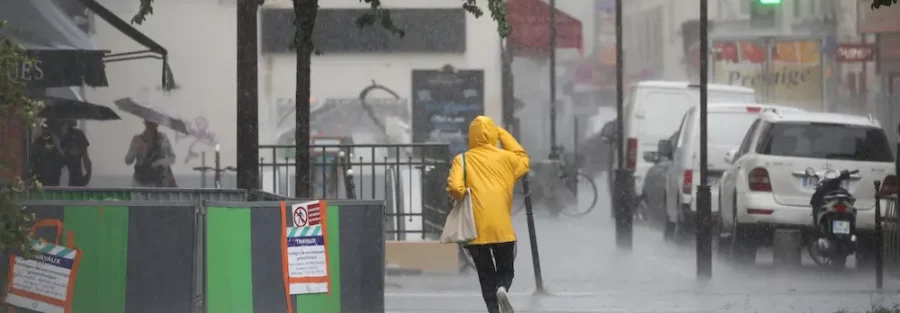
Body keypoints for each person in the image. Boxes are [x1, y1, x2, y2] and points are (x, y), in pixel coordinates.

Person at [446, 116, 529, 313]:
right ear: (493, 135)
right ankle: (502, 288)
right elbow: (523, 158)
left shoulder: (462, 159)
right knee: (506, 269)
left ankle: (493, 309)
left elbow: (455, 188)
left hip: (476, 228)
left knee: (485, 274)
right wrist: (501, 133)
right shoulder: (508, 159)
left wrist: (462, 194)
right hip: (502, 227)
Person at [125, 120, 177, 187]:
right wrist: (134, 149)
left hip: (160, 183)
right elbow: (128, 161)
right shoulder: (137, 139)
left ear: (157, 124)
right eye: (148, 122)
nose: (151, 124)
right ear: (145, 123)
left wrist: (159, 163)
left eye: (153, 122)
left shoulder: (163, 138)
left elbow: (172, 158)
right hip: (140, 182)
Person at [29, 120, 65, 186]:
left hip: (54, 184)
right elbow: (33, 161)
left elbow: (63, 161)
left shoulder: (57, 143)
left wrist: (54, 139)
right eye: (45, 129)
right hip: (40, 184)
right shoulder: (38, 143)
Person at [58, 120, 92, 186]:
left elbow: (86, 159)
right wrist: (88, 174)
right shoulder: (77, 134)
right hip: (74, 180)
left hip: (66, 181)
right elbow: (86, 159)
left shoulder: (61, 135)